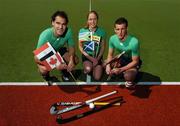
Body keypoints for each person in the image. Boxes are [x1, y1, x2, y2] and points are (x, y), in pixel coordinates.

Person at [34, 10, 78, 85]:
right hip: (47, 54)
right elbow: (36, 57)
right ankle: (46, 77)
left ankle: (65, 73)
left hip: (59, 50)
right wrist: (55, 65)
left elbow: (71, 47)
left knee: (75, 60)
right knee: (44, 69)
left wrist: (71, 60)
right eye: (58, 23)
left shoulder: (68, 31)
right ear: (52, 23)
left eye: (63, 24)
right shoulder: (45, 35)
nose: (61, 27)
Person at [105, 17, 141, 88]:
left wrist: (121, 69)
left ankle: (129, 72)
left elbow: (135, 61)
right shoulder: (112, 39)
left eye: (122, 29)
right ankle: (120, 71)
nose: (120, 32)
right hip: (121, 59)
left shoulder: (134, 42)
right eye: (118, 29)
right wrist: (108, 66)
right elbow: (110, 55)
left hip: (131, 61)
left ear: (127, 29)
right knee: (104, 63)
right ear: (114, 30)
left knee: (128, 76)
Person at [78, 11, 106, 81]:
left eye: (94, 19)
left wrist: (98, 58)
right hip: (87, 56)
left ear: (97, 20)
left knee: (97, 77)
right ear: (87, 20)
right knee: (88, 69)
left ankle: (98, 66)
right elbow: (80, 47)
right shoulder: (82, 31)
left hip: (97, 57)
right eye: (90, 19)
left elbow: (102, 47)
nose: (92, 21)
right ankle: (89, 67)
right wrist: (91, 58)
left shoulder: (102, 32)